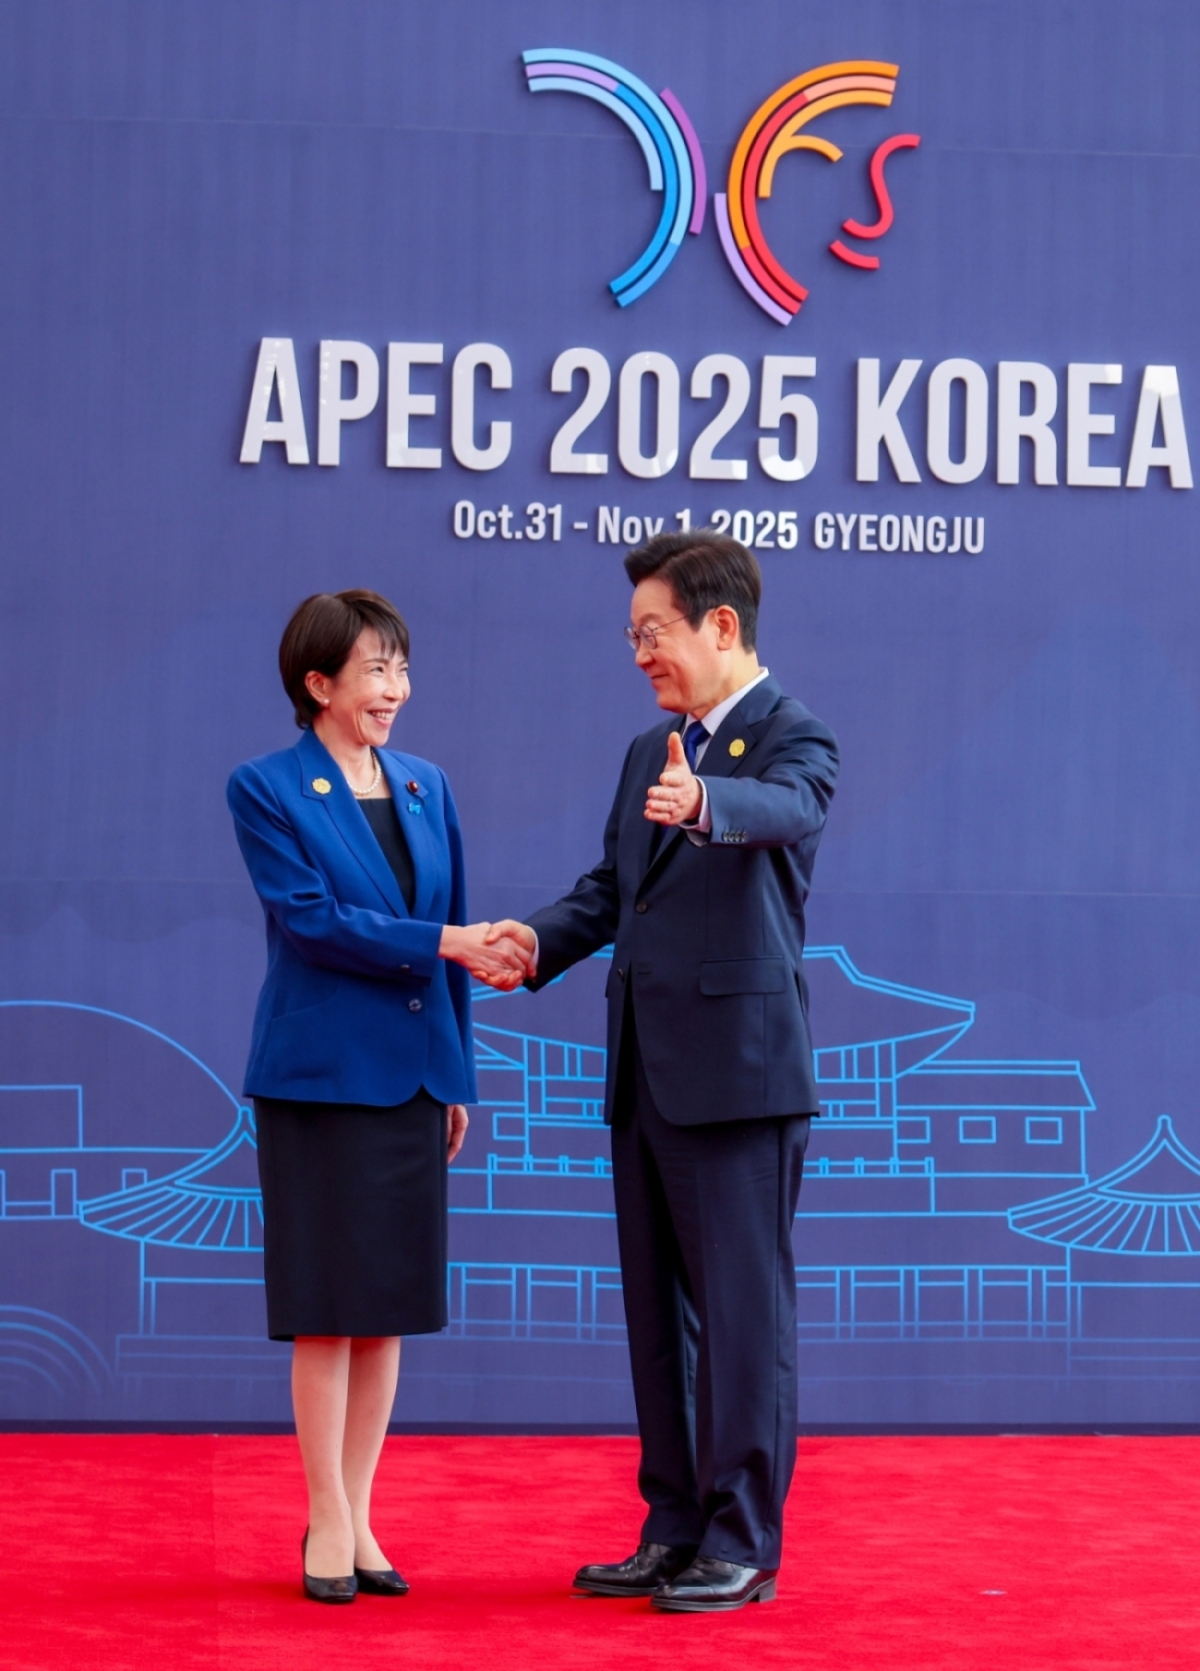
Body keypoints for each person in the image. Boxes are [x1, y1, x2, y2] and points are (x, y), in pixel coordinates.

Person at [487, 531, 838, 1613]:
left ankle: (743, 1539)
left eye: (654, 633)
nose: (640, 654)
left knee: (742, 1320)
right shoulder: (652, 751)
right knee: (659, 1323)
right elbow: (613, 890)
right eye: (633, 635)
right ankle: (675, 1525)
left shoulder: (793, 736)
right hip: (645, 1074)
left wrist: (709, 808)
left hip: (738, 1080)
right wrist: (533, 943)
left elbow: (794, 810)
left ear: (719, 627)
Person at [227, 589, 532, 1604]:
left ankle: (362, 1515)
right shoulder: (267, 789)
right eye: (374, 670)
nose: (394, 689)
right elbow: (314, 923)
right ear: (319, 684)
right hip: (318, 1083)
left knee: (387, 1314)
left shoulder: (424, 785)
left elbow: (441, 923)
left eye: (401, 668)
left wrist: (456, 1075)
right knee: (329, 1310)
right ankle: (323, 1517)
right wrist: (449, 943)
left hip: (412, 1079)